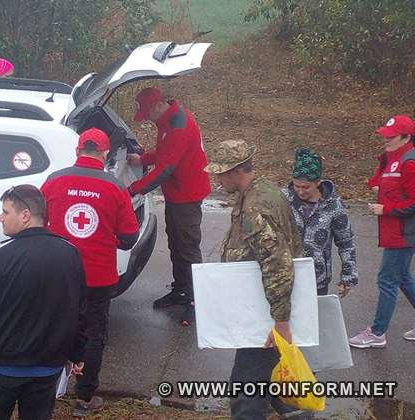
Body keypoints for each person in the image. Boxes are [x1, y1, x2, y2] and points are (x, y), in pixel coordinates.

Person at [0, 184, 87, 420]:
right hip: (47, 368)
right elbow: (79, 311)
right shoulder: (70, 253)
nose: (1, 218)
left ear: (25, 215)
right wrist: (77, 353)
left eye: (6, 212)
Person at [41, 128, 139, 417]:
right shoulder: (114, 186)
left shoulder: (54, 181)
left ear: (77, 150)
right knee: (94, 335)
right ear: (105, 153)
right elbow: (130, 237)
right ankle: (84, 398)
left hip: (59, 274)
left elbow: (37, 219)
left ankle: (45, 390)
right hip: (98, 278)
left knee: (54, 329)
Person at [204, 140, 304, 419]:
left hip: (263, 315)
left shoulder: (255, 207)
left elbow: (277, 264)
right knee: (275, 384)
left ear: (236, 171)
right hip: (261, 307)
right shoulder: (263, 190)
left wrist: (280, 322)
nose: (217, 178)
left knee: (246, 393)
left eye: (220, 173)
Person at [126, 87, 211, 326]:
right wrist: (143, 159)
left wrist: (133, 190)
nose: (147, 120)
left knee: (188, 247)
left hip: (188, 194)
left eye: (146, 114)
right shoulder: (168, 119)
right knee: (176, 242)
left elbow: (166, 169)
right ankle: (181, 290)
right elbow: (166, 153)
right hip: (176, 193)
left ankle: (196, 300)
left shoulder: (178, 126)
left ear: (157, 106)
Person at [349, 115, 415, 348]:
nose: (385, 139)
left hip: (404, 233)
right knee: (403, 278)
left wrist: (385, 208)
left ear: (406, 137)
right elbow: (381, 177)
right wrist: (375, 184)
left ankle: (377, 333)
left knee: (387, 280)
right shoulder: (389, 157)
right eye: (384, 135)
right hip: (391, 231)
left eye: (391, 136)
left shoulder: (410, 162)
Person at [282, 148, 358, 296]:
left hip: (317, 279)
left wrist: (348, 277)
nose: (300, 191)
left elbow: (346, 243)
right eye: (296, 186)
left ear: (318, 182)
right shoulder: (283, 199)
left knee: (314, 318)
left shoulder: (334, 206)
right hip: (284, 276)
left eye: (306, 187)